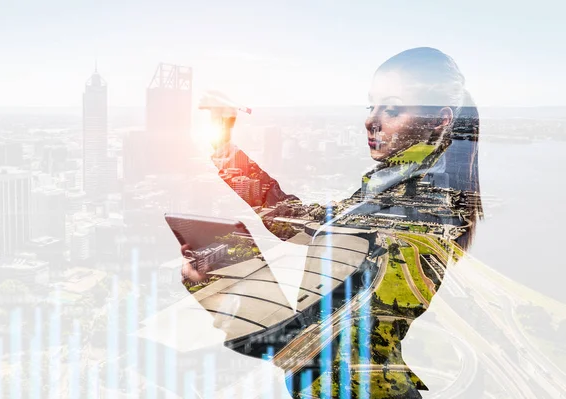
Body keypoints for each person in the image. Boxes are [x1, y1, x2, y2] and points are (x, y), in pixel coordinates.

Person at [181, 47, 483, 398]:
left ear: (439, 120)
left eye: (394, 108)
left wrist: (222, 285)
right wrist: (224, 149)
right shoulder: (395, 192)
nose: (372, 120)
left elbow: (316, 346)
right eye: (371, 106)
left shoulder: (411, 213)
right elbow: (299, 221)